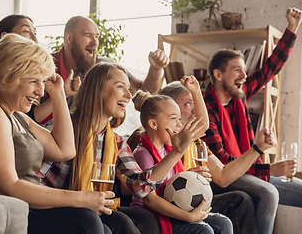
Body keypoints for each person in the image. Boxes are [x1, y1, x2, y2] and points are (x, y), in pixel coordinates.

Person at [0, 33, 114, 234]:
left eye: (43, 82)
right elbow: (7, 186)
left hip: (24, 209)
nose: (41, 92)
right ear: (4, 76)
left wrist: (59, 93)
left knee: (113, 224)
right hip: (3, 213)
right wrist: (79, 199)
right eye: (34, 81)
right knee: (86, 221)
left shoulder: (15, 114)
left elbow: (65, 150)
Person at [39, 62, 205, 234]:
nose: (128, 95)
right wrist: (76, 200)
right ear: (97, 89)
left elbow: (140, 187)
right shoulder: (61, 128)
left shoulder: (116, 142)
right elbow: (34, 183)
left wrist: (176, 152)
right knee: (99, 223)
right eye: (120, 87)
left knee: (144, 218)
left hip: (91, 209)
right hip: (55, 210)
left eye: (128, 88)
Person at [202, 7, 302, 234]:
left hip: (250, 171)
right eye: (237, 70)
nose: (244, 76)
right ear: (218, 74)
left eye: (244, 70)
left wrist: (292, 29)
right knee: (268, 193)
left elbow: (270, 69)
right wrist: (269, 168)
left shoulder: (241, 93)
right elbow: (225, 163)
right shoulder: (206, 109)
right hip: (223, 179)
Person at [158, 79, 278, 234]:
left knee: (240, 200)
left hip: (193, 200)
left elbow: (222, 176)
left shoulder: (197, 142)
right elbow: (148, 182)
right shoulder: (159, 138)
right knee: (264, 194)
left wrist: (258, 148)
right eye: (189, 103)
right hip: (171, 206)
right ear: (169, 107)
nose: (195, 110)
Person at [28, 15, 169, 124]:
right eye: (88, 36)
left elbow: (146, 91)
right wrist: (61, 93)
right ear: (69, 38)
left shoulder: (104, 66)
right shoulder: (44, 66)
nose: (95, 43)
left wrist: (156, 69)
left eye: (96, 37)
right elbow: (31, 117)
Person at [130, 89, 233, 234]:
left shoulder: (169, 148)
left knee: (223, 222)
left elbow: (203, 126)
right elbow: (149, 199)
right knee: (204, 230)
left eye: (179, 119)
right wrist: (189, 216)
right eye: (173, 119)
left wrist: (188, 177)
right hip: (151, 215)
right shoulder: (143, 153)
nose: (179, 124)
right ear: (153, 124)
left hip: (172, 207)